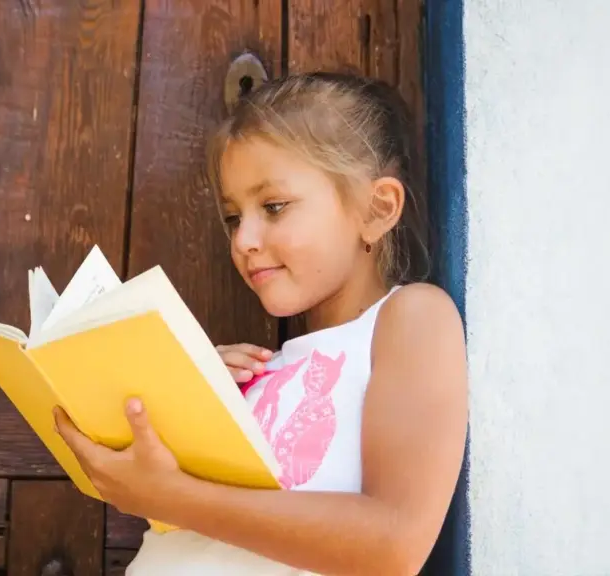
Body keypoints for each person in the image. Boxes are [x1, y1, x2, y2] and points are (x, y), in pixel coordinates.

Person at [53, 71, 468, 575]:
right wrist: (190, 399)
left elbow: (394, 546)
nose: (243, 240)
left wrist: (172, 496)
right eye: (233, 217)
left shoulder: (411, 318)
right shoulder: (258, 368)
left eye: (274, 207)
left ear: (376, 209)